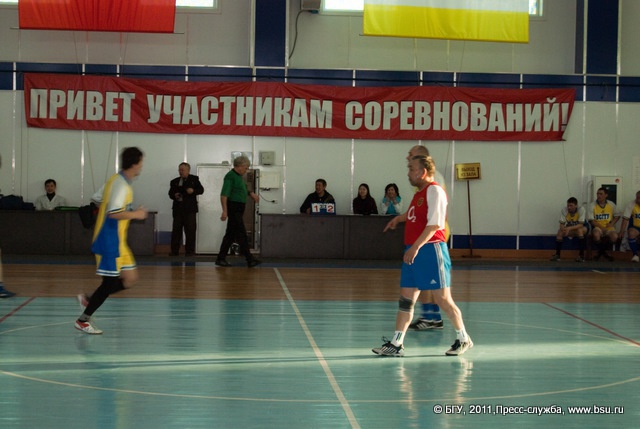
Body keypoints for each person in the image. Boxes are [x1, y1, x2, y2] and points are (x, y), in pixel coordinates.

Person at [373, 154, 472, 357]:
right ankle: (396, 344)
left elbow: (434, 225)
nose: (408, 173)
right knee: (406, 300)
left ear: (423, 172)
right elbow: (413, 215)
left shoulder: (435, 191)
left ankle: (463, 338)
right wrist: (398, 219)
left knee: (443, 299)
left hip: (430, 250)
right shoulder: (419, 194)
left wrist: (416, 247)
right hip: (414, 251)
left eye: (412, 169)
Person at [75, 147, 148, 334]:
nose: (142, 165)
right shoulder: (121, 186)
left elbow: (96, 198)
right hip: (109, 241)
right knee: (108, 283)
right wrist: (137, 214)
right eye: (141, 162)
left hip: (119, 241)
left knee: (130, 279)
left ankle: (89, 300)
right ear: (134, 164)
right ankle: (83, 320)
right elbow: (113, 213)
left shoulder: (116, 180)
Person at [406, 145, 445, 331]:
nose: (408, 157)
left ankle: (431, 317)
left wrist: (417, 244)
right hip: (424, 233)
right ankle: (431, 316)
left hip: (431, 234)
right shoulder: (420, 182)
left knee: (429, 281)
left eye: (411, 155)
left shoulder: (432, 183)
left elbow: (434, 217)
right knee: (425, 279)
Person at [215, 155, 261, 268]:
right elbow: (224, 195)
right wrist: (225, 211)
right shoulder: (230, 176)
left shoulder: (238, 177)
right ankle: (249, 259)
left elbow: (244, 188)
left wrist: (251, 193)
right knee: (241, 233)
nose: (246, 170)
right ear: (240, 166)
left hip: (239, 208)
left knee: (230, 234)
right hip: (234, 208)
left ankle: (221, 258)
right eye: (246, 167)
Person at [168, 162, 205, 256]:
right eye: (179, 170)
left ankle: (190, 251)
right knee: (176, 231)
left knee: (190, 231)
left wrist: (193, 191)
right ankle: (174, 251)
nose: (180, 172)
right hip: (178, 210)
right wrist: (175, 195)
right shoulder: (174, 181)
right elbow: (170, 194)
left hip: (190, 210)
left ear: (188, 170)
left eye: (182, 170)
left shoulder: (194, 179)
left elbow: (201, 190)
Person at [549, 197, 588, 262]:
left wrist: (569, 228)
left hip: (583, 227)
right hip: (570, 228)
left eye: (571, 206)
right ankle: (557, 255)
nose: (569, 207)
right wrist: (563, 229)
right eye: (568, 205)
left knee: (580, 230)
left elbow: (581, 224)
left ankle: (581, 256)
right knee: (560, 232)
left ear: (576, 205)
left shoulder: (581, 209)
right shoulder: (564, 210)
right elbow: (561, 224)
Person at [588, 187, 620, 261]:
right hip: (598, 226)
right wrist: (602, 228)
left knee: (615, 237)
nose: (599, 196)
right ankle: (605, 253)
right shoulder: (592, 205)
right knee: (596, 235)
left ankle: (601, 252)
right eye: (597, 194)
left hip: (608, 227)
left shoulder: (611, 204)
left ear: (606, 195)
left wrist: (612, 224)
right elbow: (591, 221)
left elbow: (617, 215)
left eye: (601, 194)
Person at [619, 190, 640, 262]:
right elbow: (625, 219)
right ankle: (635, 255)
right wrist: (621, 231)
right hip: (636, 227)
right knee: (631, 233)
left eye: (639, 198)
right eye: (637, 198)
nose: (638, 200)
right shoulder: (631, 204)